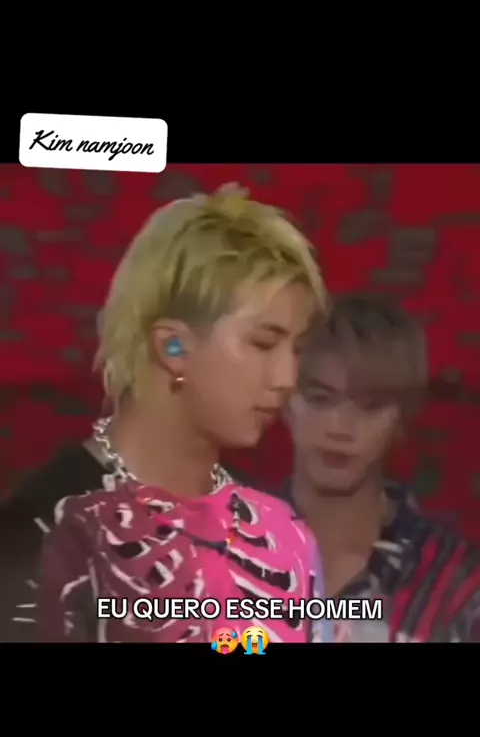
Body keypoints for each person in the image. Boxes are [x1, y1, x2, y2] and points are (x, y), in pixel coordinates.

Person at [9, 183, 330, 643]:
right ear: (172, 347)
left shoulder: (285, 538)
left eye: (296, 349)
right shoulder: (39, 538)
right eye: (263, 344)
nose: (287, 377)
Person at [284, 292, 480, 642]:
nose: (339, 427)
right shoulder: (216, 552)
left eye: (369, 406)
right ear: (284, 401)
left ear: (401, 418)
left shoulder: (458, 588)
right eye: (320, 399)